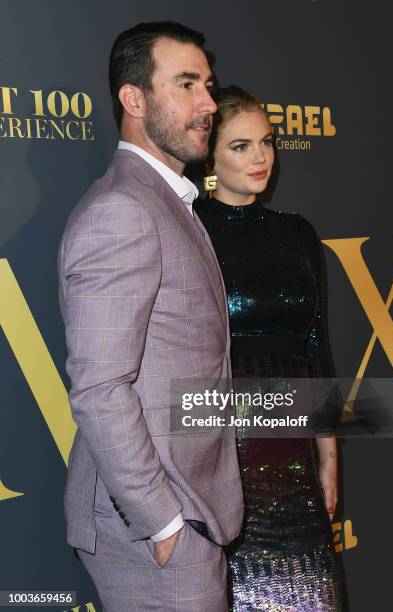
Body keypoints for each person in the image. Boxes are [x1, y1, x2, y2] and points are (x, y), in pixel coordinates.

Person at [58, 23, 243, 612]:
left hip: (188, 504)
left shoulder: (166, 200)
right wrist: (162, 522)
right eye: (186, 84)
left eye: (208, 85)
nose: (209, 103)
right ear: (133, 100)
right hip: (154, 522)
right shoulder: (122, 210)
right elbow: (98, 388)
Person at [195, 86, 342, 611]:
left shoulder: (297, 233)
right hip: (224, 455)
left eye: (267, 142)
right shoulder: (191, 231)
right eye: (240, 146)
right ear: (209, 154)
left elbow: (315, 346)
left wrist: (328, 457)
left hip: (295, 458)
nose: (260, 158)